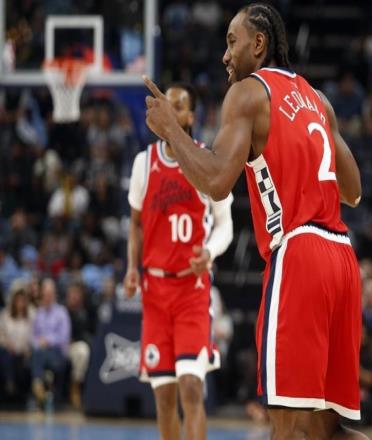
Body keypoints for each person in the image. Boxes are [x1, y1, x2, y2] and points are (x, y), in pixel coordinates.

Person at [143, 3, 365, 439]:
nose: (225, 55)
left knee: (288, 428)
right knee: (326, 431)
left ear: (259, 44)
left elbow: (216, 182)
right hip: (342, 259)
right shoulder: (318, 99)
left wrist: (171, 130)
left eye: (232, 42)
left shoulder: (248, 93)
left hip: (300, 255)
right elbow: (353, 191)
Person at [124, 83, 233, 440]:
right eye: (166, 106)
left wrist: (210, 252)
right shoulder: (144, 163)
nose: (171, 111)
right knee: (164, 398)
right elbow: (135, 225)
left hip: (191, 290)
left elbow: (225, 226)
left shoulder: (208, 161)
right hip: (155, 291)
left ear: (190, 116)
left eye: (179, 106)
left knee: (191, 388)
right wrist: (131, 268)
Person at [31, 278, 71, 407]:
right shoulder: (39, 313)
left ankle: (37, 383)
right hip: (41, 352)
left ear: (54, 295)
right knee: (38, 352)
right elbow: (33, 336)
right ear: (42, 295)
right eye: (45, 294)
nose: (47, 297)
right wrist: (38, 343)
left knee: (39, 354)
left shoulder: (62, 312)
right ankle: (39, 386)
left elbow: (64, 337)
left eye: (50, 294)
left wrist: (47, 341)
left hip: (57, 353)